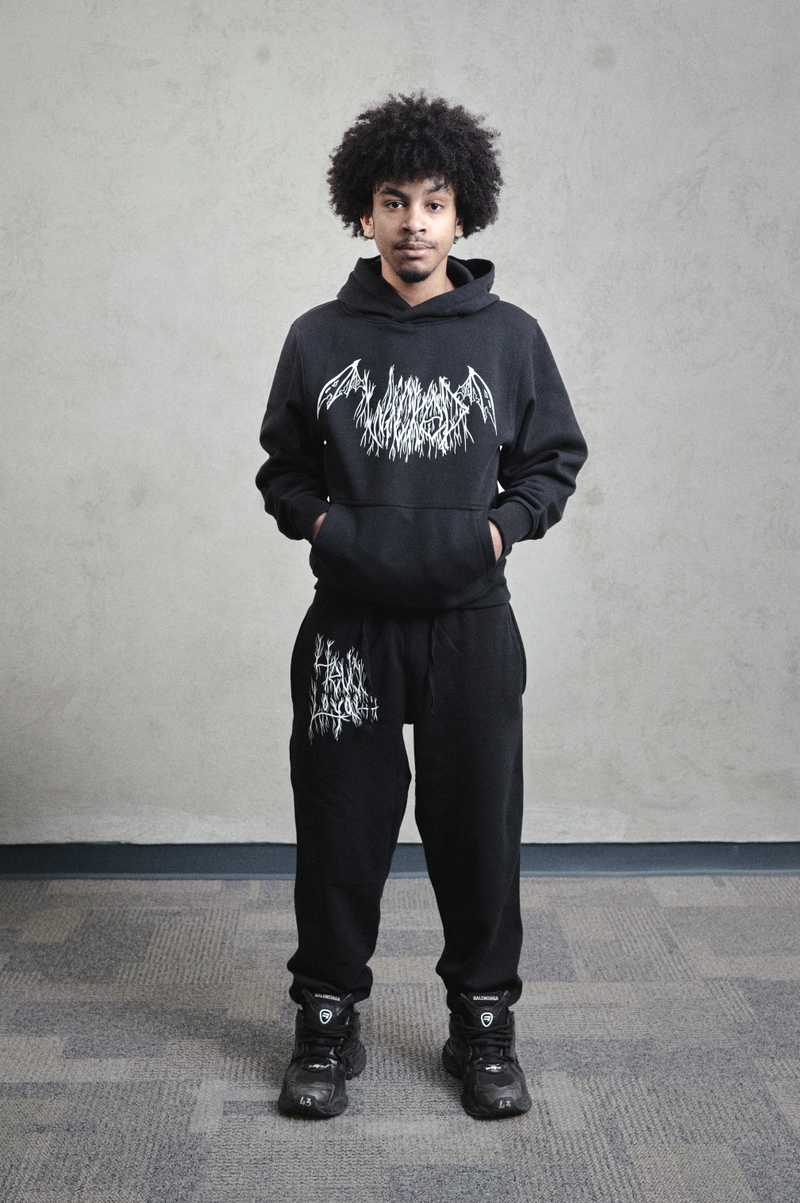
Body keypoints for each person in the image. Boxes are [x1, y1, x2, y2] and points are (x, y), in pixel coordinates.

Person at [256, 94, 587, 1120]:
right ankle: (325, 1017)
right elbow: (282, 472)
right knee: (339, 827)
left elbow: (551, 462)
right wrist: (326, 528)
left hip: (470, 625)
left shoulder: (511, 338)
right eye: (393, 201)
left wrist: (494, 533)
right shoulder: (317, 337)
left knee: (478, 829)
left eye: (432, 203)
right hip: (347, 631)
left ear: (461, 214)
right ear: (362, 212)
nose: (412, 223)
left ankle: (482, 1024)